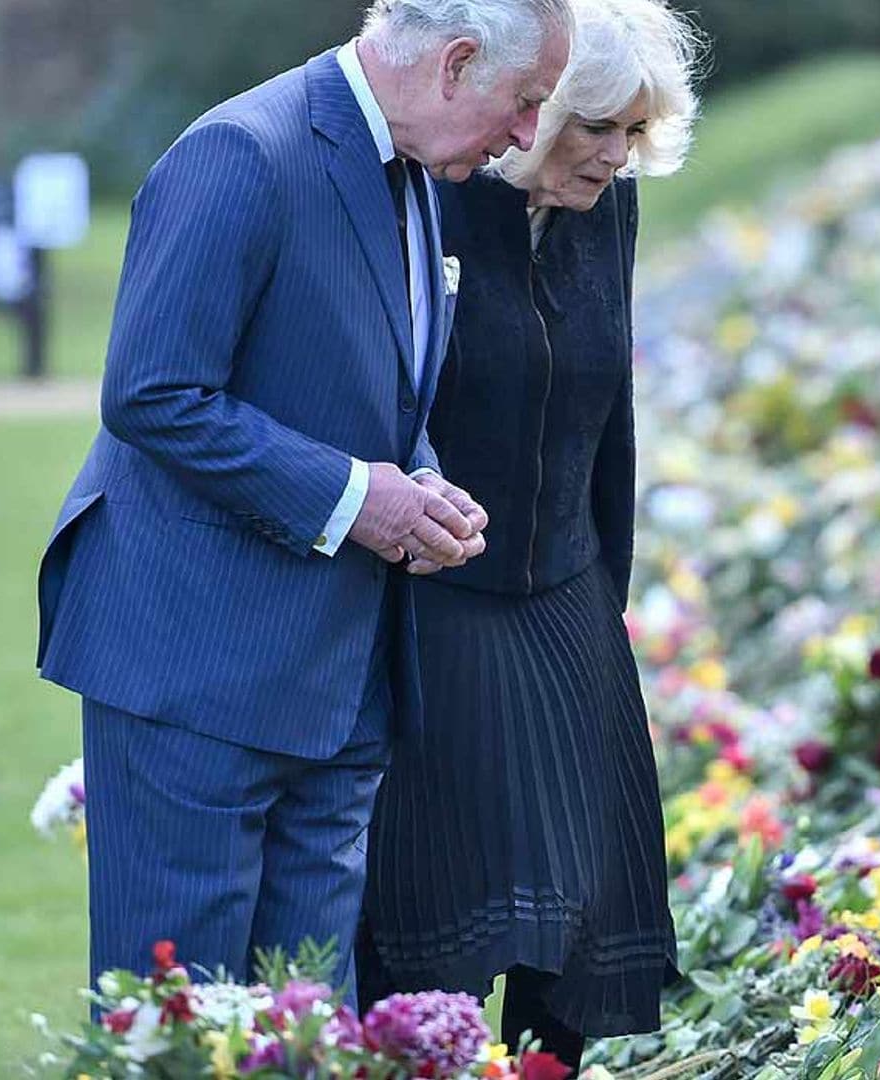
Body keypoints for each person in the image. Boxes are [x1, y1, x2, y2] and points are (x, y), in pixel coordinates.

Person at [36, 0, 572, 1000]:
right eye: (526, 101)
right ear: (456, 62)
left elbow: (375, 380)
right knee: (184, 1026)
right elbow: (153, 391)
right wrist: (351, 498)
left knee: (308, 1024)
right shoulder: (242, 152)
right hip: (192, 667)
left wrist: (413, 479)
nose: (526, 137)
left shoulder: (417, 166)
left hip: (340, 681)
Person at [356, 0, 700, 1065]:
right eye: (595, 126)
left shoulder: (611, 209)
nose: (615, 155)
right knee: (440, 929)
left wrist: (611, 600)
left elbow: (614, 418)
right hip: (435, 607)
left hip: (569, 602)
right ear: (532, 108)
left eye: (634, 132)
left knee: (581, 941)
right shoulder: (428, 198)